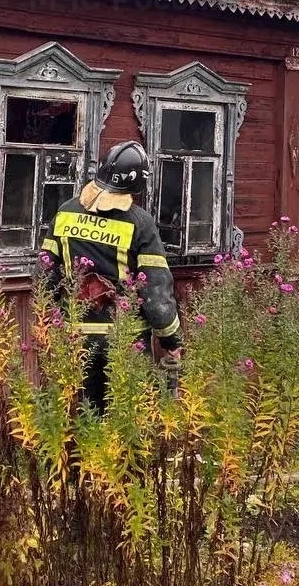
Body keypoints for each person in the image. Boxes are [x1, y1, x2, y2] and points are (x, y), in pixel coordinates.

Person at [37, 139, 184, 412]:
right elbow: (156, 292)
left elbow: (45, 275)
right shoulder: (140, 223)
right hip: (124, 340)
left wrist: (52, 321)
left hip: (75, 339)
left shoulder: (66, 212)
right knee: (126, 416)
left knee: (84, 415)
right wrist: (171, 339)